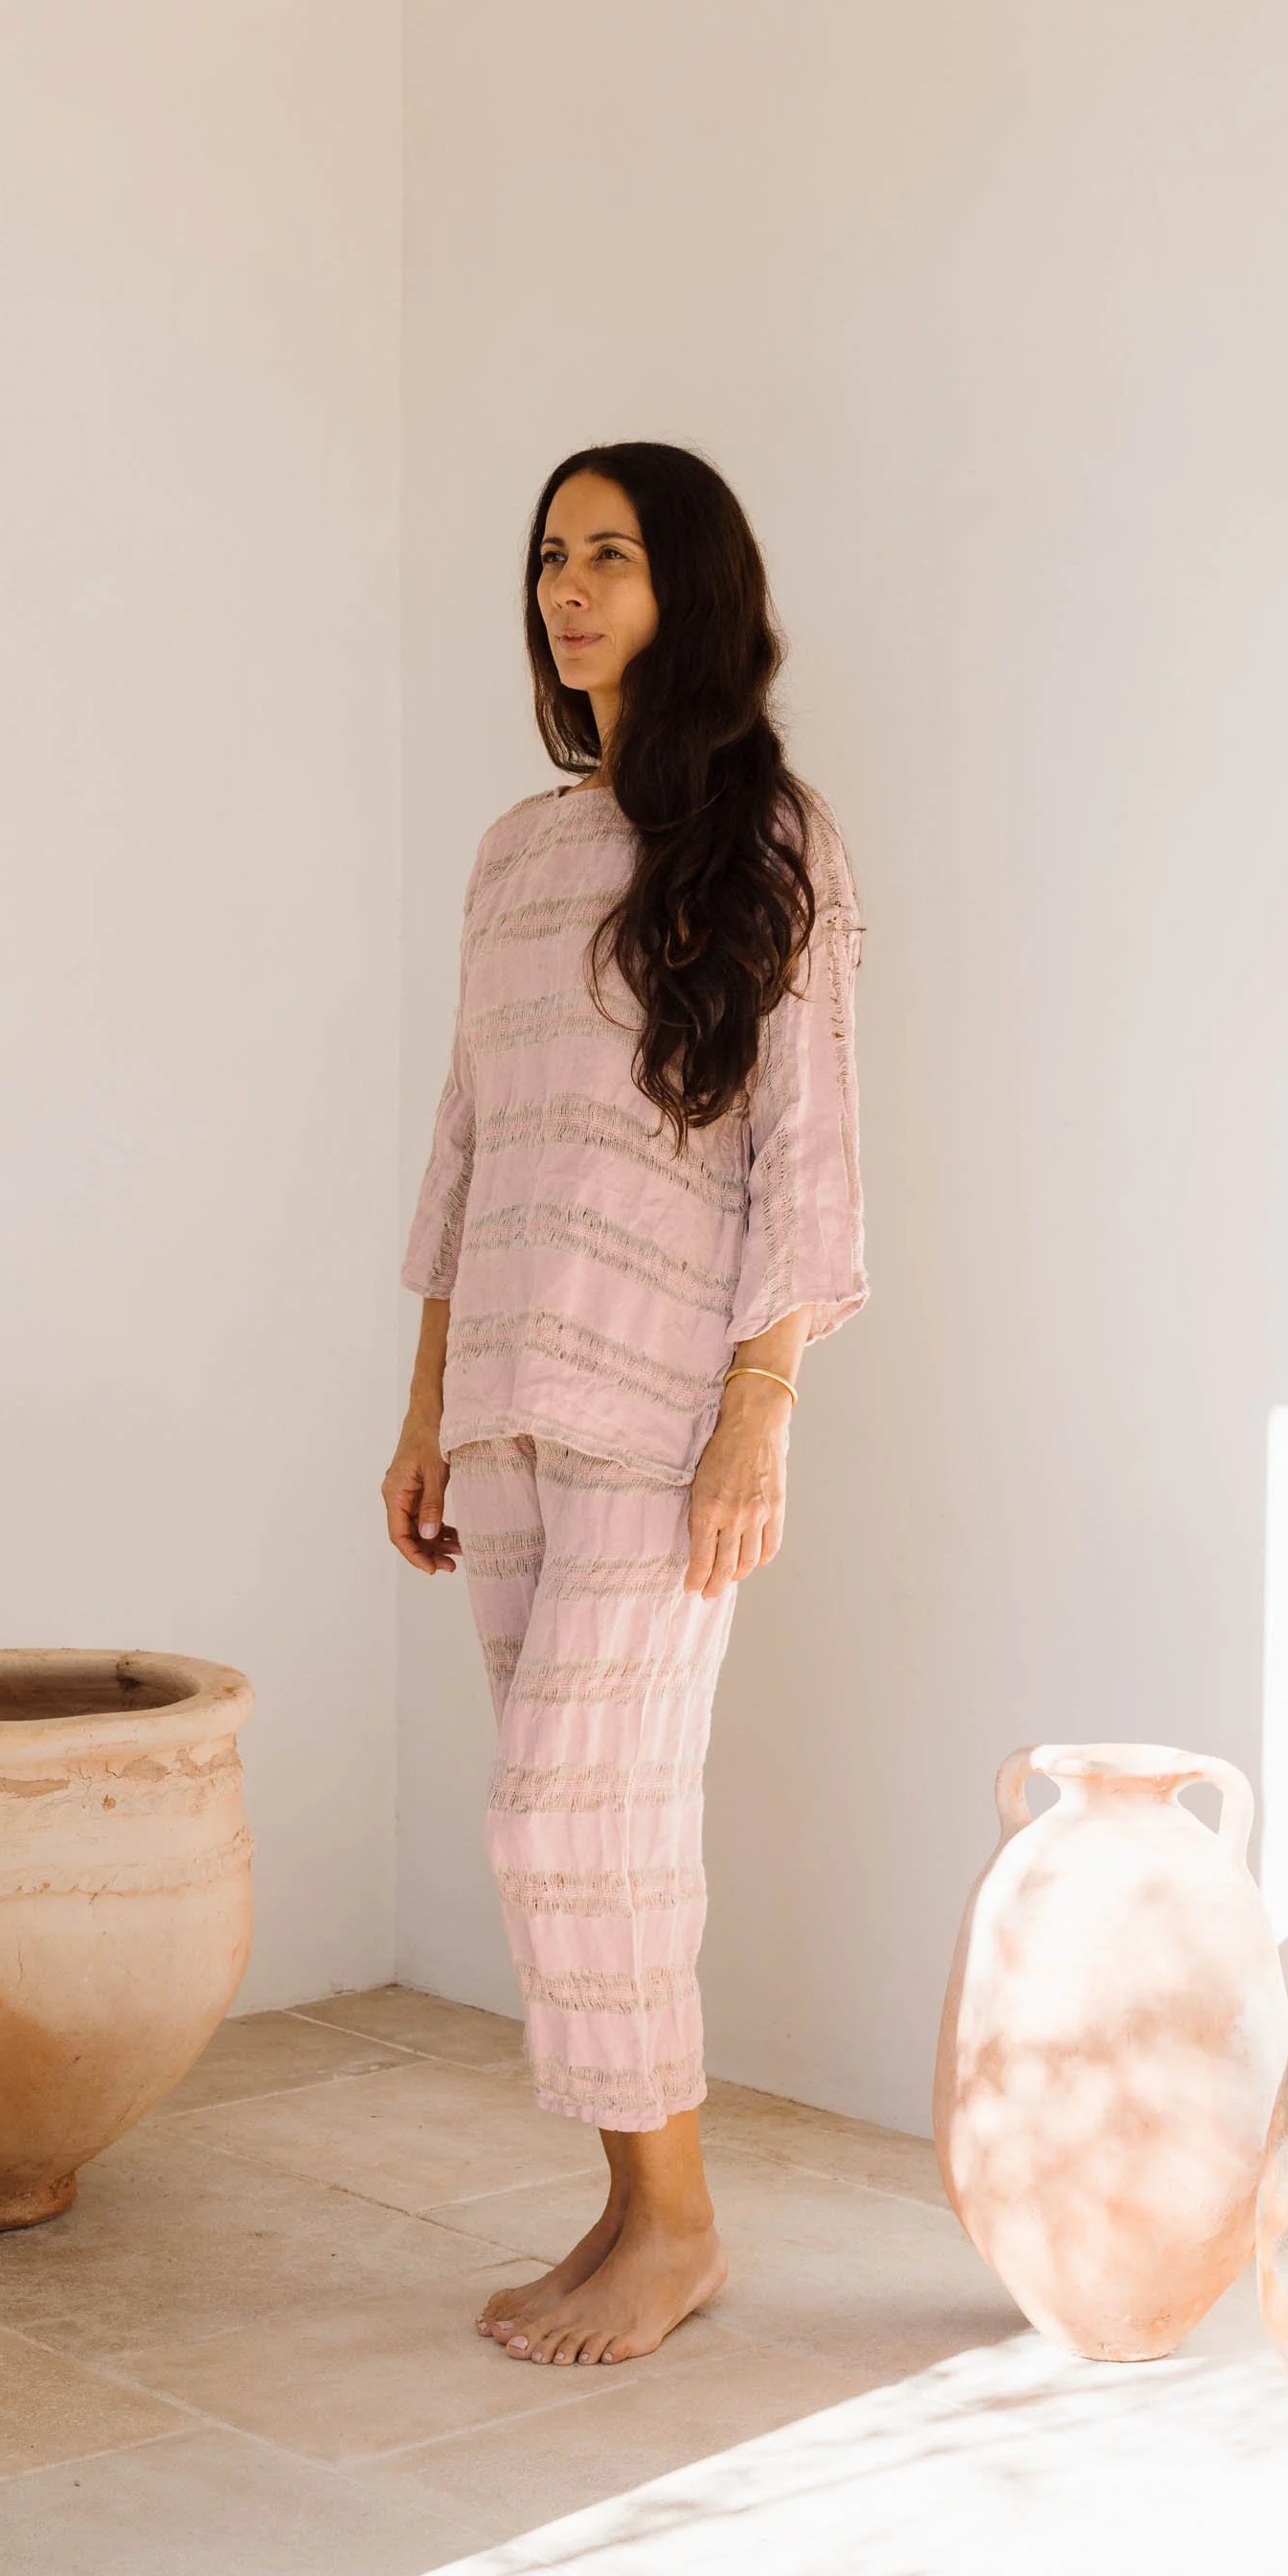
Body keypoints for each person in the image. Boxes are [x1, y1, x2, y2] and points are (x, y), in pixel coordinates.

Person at [382, 440, 867, 2367]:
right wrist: (424, 1402)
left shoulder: (775, 836)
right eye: (550, 556)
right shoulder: (516, 852)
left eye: (612, 555)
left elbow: (807, 1146)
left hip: (666, 1410)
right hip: (505, 1396)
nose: (567, 589)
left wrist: (764, 1399)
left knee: (565, 1820)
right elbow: (467, 1139)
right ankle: (625, 2202)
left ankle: (678, 2220)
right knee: (587, 1828)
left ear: (692, 589)